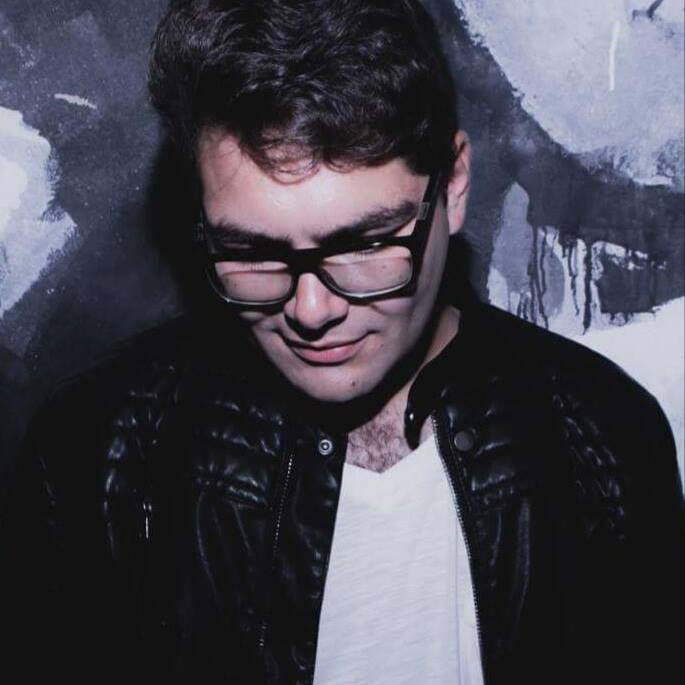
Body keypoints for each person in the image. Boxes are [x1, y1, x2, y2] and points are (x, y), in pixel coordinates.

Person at [3, 1, 683, 683]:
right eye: (250, 251)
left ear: (452, 188)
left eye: (363, 244)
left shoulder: (602, 439)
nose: (311, 310)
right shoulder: (99, 457)